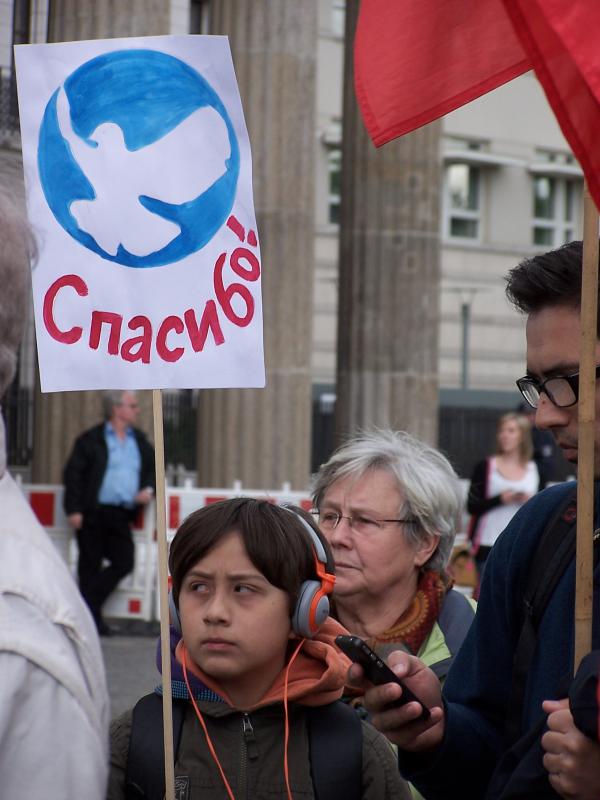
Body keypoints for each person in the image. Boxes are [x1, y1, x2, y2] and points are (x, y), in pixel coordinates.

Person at [354, 240, 600, 800]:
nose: (543, 414)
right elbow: (490, 744)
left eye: (568, 382)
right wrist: (435, 733)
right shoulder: (544, 528)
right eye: (537, 386)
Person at [107, 498, 411, 799]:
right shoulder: (136, 740)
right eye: (198, 587)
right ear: (175, 607)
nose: (215, 612)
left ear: (304, 612)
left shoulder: (354, 752)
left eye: (243, 589)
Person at [0, 191, 109, 796]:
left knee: (105, 566)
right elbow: (79, 466)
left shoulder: (18, 630)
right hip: (90, 509)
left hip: (116, 513)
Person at [312, 429, 475, 685]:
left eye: (364, 521)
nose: (336, 537)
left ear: (424, 544)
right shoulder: (283, 628)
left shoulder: (480, 634)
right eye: (330, 516)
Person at [63, 389, 155, 635]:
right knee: (89, 565)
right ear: (117, 408)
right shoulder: (90, 439)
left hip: (121, 513)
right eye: (132, 405)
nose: (137, 410)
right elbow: (74, 474)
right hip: (93, 511)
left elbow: (153, 469)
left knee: (124, 560)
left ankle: (84, 607)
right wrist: (73, 508)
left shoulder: (140, 440)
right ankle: (92, 621)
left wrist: (148, 489)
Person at [467, 411, 540, 577]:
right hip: (488, 543)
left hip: (522, 545)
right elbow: (471, 506)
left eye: (511, 431)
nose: (505, 435)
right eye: (502, 431)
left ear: (523, 436)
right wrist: (500, 499)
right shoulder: (485, 466)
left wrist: (531, 501)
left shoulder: (535, 469)